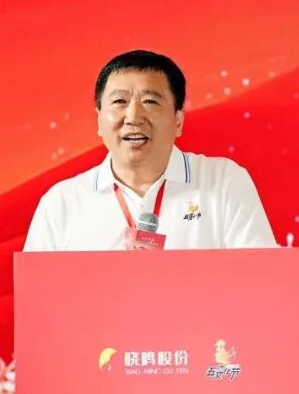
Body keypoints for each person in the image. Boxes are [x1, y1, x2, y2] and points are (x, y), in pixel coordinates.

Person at [23, 50, 276, 250]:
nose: (133, 116)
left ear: (178, 121)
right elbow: (38, 298)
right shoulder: (62, 203)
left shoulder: (223, 182)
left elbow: (261, 281)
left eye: (150, 101)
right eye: (119, 101)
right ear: (99, 120)